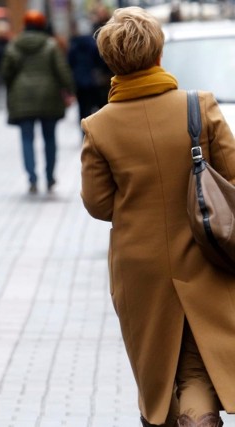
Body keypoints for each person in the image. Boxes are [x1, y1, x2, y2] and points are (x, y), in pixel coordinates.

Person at [80, 7, 235, 427]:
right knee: (194, 360)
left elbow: (97, 204)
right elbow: (232, 175)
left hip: (139, 266)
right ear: (158, 53)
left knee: (156, 364)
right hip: (204, 253)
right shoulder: (199, 107)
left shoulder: (98, 126)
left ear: (111, 60)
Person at [0, 10, 74, 194]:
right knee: (50, 137)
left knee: (27, 138)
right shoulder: (51, 45)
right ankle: (49, 177)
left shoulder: (14, 45)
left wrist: (12, 87)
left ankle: (32, 178)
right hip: (49, 96)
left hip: (22, 96)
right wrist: (70, 90)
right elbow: (61, 70)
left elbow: (6, 72)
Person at [67, 19, 108, 124]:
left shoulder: (73, 45)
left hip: (79, 81)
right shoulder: (93, 44)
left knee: (83, 109)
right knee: (97, 107)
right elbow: (99, 61)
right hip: (93, 81)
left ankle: (85, 132)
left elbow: (69, 63)